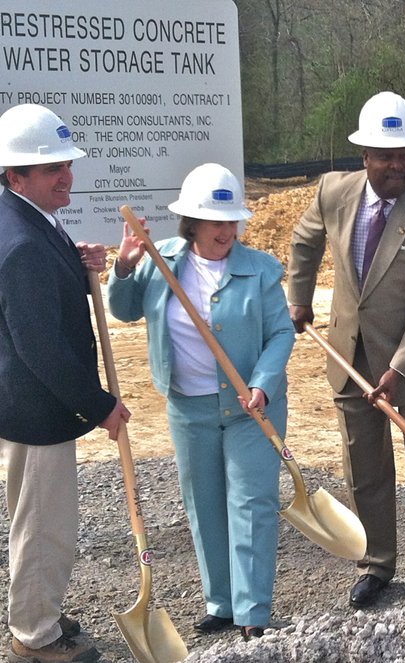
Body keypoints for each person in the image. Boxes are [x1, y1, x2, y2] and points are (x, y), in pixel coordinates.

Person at [108, 163, 295, 641]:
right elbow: (125, 310)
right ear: (191, 222)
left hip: (252, 410)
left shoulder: (259, 270)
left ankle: (253, 612)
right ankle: (222, 603)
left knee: (251, 504)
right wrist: (125, 265)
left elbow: (280, 333)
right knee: (204, 505)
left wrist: (264, 383)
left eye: (232, 220)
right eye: (216, 221)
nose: (227, 230)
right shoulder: (160, 260)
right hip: (188, 409)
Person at [287, 91, 405, 610]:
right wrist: (299, 297)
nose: (396, 165)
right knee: (365, 469)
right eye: (386, 156)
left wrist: (400, 370)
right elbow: (302, 243)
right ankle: (376, 563)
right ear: (364, 156)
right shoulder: (333, 193)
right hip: (350, 359)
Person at [0, 104, 130, 663]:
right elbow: (39, 346)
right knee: (44, 524)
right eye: (51, 167)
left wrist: (77, 265)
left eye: (66, 163)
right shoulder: (21, 241)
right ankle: (35, 634)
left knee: (33, 517)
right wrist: (99, 405)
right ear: (15, 176)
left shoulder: (31, 221)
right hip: (38, 410)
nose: (65, 176)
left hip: (29, 407)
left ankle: (38, 610)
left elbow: (38, 293)